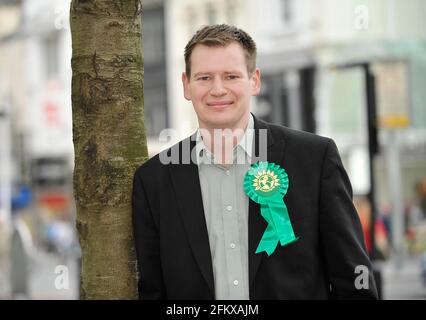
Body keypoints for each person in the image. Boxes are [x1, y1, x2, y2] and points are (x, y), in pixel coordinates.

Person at [132, 24, 378, 300]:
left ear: (254, 81)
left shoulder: (315, 160)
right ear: (186, 86)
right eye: (204, 78)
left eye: (231, 76)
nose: (218, 89)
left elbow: (354, 276)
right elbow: (151, 291)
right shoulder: (153, 181)